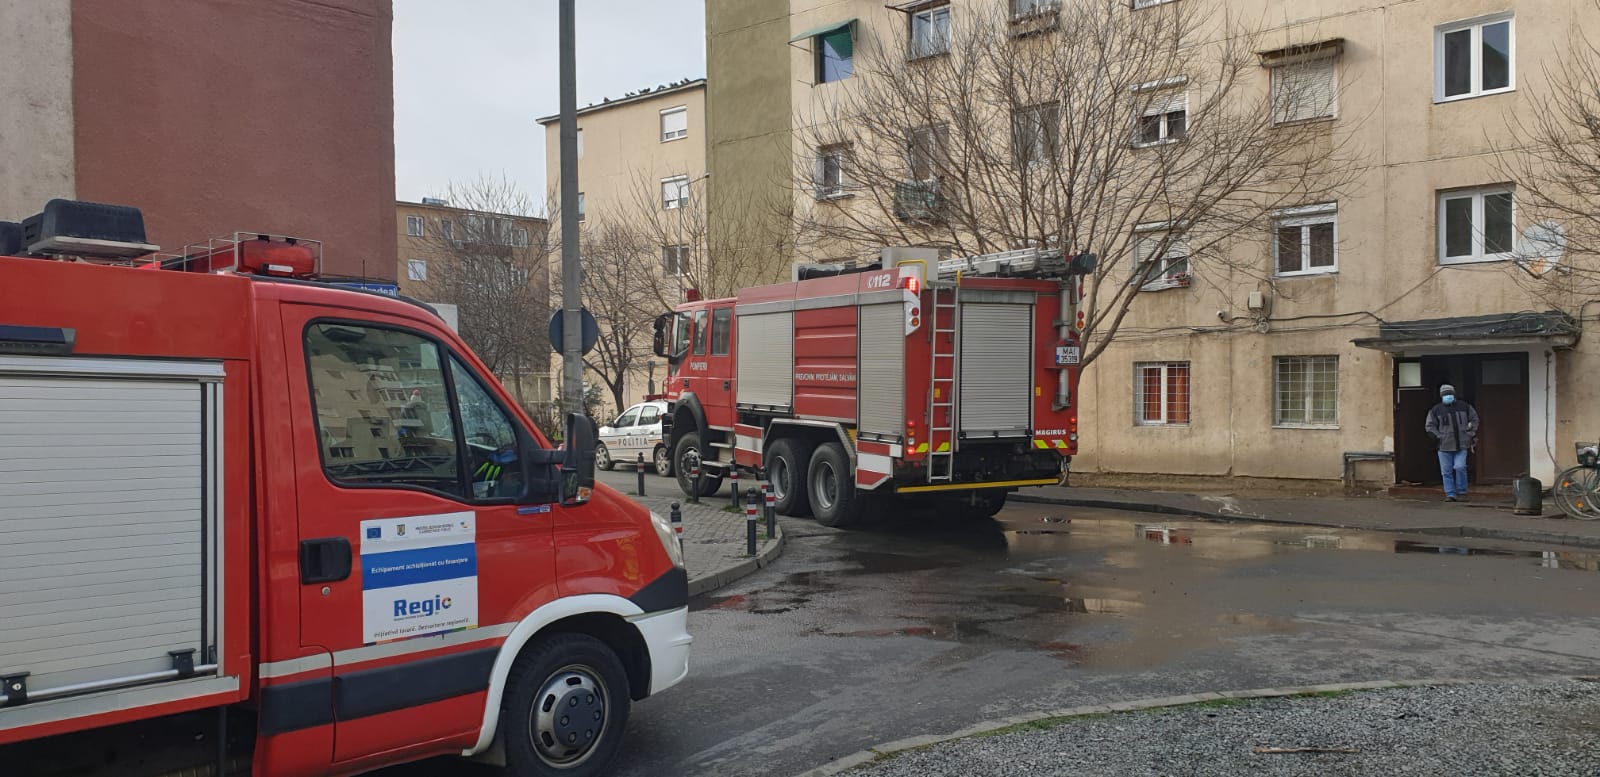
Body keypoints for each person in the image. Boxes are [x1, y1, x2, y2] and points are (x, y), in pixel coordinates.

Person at [1425, 384, 1480, 502]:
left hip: (1462, 444)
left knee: (1460, 467)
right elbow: (1430, 426)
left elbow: (1475, 419)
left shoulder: (1465, 406)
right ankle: (1450, 494)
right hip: (1444, 446)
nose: (1448, 396)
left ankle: (1462, 492)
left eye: (1450, 394)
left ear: (1454, 395)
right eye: (1445, 395)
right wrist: (1438, 437)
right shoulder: (1436, 410)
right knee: (1446, 471)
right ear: (1441, 396)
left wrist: (1470, 434)